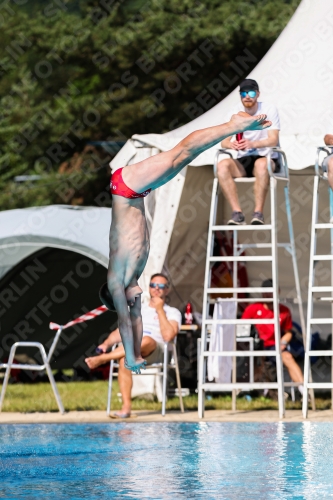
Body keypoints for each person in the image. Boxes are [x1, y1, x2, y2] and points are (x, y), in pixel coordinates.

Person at [100, 111, 272, 373]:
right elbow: (134, 319)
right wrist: (134, 352)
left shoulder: (117, 280)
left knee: (180, 152)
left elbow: (125, 320)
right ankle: (230, 128)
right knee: (184, 156)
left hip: (126, 187)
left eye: (130, 301)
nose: (137, 301)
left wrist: (130, 358)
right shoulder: (132, 279)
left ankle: (232, 125)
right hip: (134, 191)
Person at [86, 273, 181, 418]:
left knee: (146, 339)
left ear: (167, 290)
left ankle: (105, 359)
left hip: (156, 350)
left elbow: (168, 336)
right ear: (148, 288)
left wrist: (160, 310)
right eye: (153, 285)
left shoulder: (172, 312)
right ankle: (126, 409)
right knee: (125, 361)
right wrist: (105, 344)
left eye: (161, 286)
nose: (156, 289)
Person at [216, 79, 280, 225]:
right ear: (240, 95)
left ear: (257, 94)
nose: (247, 96)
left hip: (267, 157)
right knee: (222, 166)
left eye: (251, 93)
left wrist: (252, 144)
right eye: (243, 93)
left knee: (261, 165)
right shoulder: (234, 112)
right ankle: (237, 213)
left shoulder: (269, 109)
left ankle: (258, 213)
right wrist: (233, 145)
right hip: (244, 160)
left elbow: (273, 140)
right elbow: (224, 141)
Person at [241, 278, 304, 397]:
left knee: (288, 357)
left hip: (275, 346)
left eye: (270, 291)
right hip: (257, 346)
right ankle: (249, 390)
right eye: (265, 291)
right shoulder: (253, 309)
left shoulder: (284, 310)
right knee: (253, 360)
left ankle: (304, 390)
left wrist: (282, 343)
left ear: (278, 291)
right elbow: (241, 329)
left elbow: (288, 332)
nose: (267, 294)